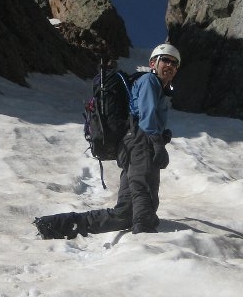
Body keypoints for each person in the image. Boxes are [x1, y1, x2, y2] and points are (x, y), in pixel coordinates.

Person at [34, 43, 181, 239]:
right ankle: (145, 240)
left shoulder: (156, 88)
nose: (170, 65)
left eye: (174, 63)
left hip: (129, 145)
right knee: (144, 193)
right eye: (166, 60)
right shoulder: (149, 81)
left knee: (125, 213)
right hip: (140, 142)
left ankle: (56, 225)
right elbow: (146, 116)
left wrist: (161, 135)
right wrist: (157, 142)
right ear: (153, 62)